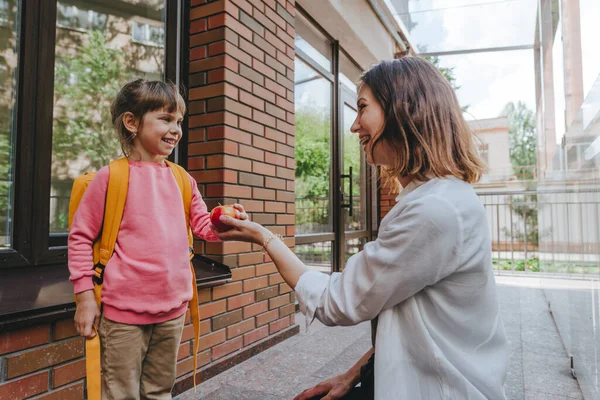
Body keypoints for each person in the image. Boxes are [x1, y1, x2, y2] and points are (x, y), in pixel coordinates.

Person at [212, 57, 509, 400]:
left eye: (363, 108)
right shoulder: (440, 198)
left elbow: (336, 302)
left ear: (403, 109)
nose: (354, 126)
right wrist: (352, 375)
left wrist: (263, 237)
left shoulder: (434, 211)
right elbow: (409, 315)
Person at [68, 79, 247, 399]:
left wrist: (223, 219)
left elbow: (203, 227)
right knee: (120, 393)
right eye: (166, 119)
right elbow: (80, 237)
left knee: (159, 392)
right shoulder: (112, 177)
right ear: (132, 122)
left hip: (173, 311)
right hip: (122, 315)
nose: (176, 129)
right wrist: (84, 298)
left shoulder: (182, 179)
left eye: (179, 121)